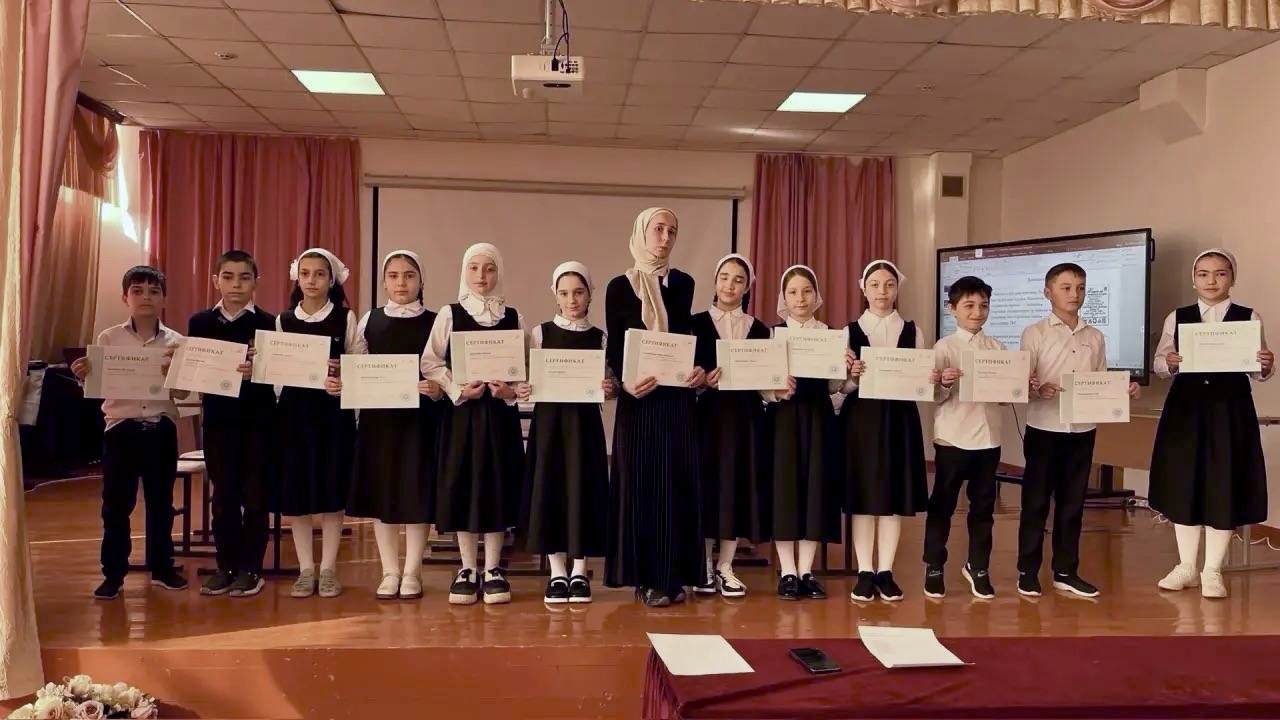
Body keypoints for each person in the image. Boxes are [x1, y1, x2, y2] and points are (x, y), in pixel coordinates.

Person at [1149, 249, 1272, 599]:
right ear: (1194, 279)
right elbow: (1159, 365)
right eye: (1203, 274)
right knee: (1184, 481)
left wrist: (1265, 364)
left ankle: (1212, 570)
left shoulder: (1248, 316)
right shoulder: (1178, 316)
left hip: (1229, 409)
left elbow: (1258, 370)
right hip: (1186, 410)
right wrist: (1170, 361)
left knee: (1224, 480)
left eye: (1220, 273)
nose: (1212, 280)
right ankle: (1186, 566)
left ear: (1232, 278)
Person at [1017, 263, 1140, 599]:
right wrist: (1037, 389)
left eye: (1081, 288)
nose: (1075, 294)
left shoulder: (1095, 336)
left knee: (1072, 503)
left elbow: (1100, 380)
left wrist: (1123, 391)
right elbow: (1023, 382)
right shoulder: (1034, 333)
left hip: (1083, 430)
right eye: (1066, 287)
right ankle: (1027, 572)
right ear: (1048, 292)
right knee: (1036, 502)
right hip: (1044, 427)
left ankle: (1065, 571)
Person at [604, 207, 706, 608]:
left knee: (675, 484)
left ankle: (674, 576)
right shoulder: (619, 286)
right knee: (642, 484)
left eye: (672, 231)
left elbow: (686, 339)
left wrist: (697, 369)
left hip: (677, 400)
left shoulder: (684, 283)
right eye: (658, 229)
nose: (665, 237)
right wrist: (625, 382)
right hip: (639, 400)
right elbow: (616, 346)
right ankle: (646, 579)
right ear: (642, 233)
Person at [71, 266, 189, 600]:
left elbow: (182, 395)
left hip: (160, 429)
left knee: (161, 504)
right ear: (125, 297)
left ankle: (162, 568)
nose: (145, 297)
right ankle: (113, 574)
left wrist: (174, 375)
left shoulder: (178, 342)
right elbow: (98, 386)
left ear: (164, 299)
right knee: (115, 506)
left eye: (154, 291)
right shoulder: (108, 338)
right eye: (137, 291)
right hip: (120, 430)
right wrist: (83, 375)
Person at [422, 243, 526, 605]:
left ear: (499, 273)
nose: (482, 276)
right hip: (462, 416)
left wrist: (510, 392)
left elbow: (525, 368)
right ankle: (467, 568)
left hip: (499, 418)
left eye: (489, 268)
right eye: (474, 268)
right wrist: (457, 389)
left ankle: (494, 568)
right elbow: (430, 362)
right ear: (464, 272)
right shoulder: (449, 314)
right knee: (463, 485)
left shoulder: (513, 316)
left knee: (497, 484)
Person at [345, 250, 445, 600]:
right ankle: (389, 571)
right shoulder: (369, 321)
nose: (401, 282)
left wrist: (437, 389)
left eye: (409, 275)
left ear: (421, 281)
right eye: (393, 275)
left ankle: (413, 572)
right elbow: (356, 366)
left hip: (420, 421)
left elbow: (444, 370)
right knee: (383, 494)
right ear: (384, 281)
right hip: (380, 422)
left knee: (417, 493)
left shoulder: (437, 321)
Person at [516, 261, 616, 605]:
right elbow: (525, 380)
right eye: (564, 293)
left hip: (584, 426)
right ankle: (557, 572)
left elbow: (610, 384)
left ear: (589, 295)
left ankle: (580, 570)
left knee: (582, 490)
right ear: (555, 296)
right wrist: (524, 388)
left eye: (578, 292)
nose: (572, 300)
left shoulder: (600, 336)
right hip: (549, 426)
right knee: (551, 488)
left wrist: (610, 388)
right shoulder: (540, 333)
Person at [839, 260, 931, 603]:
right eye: (875, 284)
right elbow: (838, 389)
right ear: (863, 289)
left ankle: (886, 571)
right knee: (864, 498)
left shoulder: (913, 331)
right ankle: (865, 571)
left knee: (893, 498)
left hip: (900, 420)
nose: (882, 291)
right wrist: (853, 378)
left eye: (889, 284)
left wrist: (926, 379)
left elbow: (921, 380)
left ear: (897, 289)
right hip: (861, 421)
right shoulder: (847, 331)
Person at [275, 248, 363, 599]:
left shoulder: (345, 318)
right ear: (297, 277)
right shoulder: (283, 320)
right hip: (294, 417)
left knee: (331, 493)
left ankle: (328, 569)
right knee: (297, 496)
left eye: (320, 274)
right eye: (306, 273)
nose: (312, 280)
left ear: (332, 280)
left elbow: (359, 362)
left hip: (333, 417)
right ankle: (305, 569)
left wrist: (344, 375)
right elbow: (276, 375)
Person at [187, 250, 275, 598]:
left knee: (255, 498)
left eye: (244, 277)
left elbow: (280, 377)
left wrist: (259, 371)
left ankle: (251, 569)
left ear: (256, 282)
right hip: (218, 423)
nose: (236, 284)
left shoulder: (270, 324)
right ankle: (225, 566)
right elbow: (194, 371)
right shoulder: (200, 323)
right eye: (228, 277)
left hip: (258, 423)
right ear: (215, 281)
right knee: (222, 497)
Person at [689, 253, 771, 598]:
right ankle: (703, 567)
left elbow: (766, 382)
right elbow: (683, 374)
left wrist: (778, 387)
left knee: (736, 488)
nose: (730, 285)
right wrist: (700, 381)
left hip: (746, 419)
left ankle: (726, 566)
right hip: (706, 419)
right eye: (724, 277)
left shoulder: (761, 329)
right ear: (715, 280)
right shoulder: (694, 324)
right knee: (707, 488)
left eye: (738, 280)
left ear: (748, 286)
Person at [924, 275, 1008, 600]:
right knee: (942, 504)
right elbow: (933, 397)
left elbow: (1004, 399)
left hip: (988, 439)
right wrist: (944, 383)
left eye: (983, 305)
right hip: (952, 437)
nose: (977, 312)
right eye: (969, 305)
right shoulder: (944, 347)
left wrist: (1016, 385)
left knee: (983, 507)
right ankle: (934, 565)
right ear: (952, 309)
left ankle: (978, 566)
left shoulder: (997, 348)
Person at [764, 264, 842, 602]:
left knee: (815, 491)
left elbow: (837, 386)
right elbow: (761, 386)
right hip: (783, 419)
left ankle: (806, 571)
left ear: (816, 295)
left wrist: (848, 370)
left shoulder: (831, 334)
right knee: (785, 491)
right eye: (793, 292)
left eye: (807, 291)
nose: (800, 298)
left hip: (819, 417)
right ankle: (787, 572)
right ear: (784, 297)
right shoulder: (772, 334)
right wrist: (774, 390)